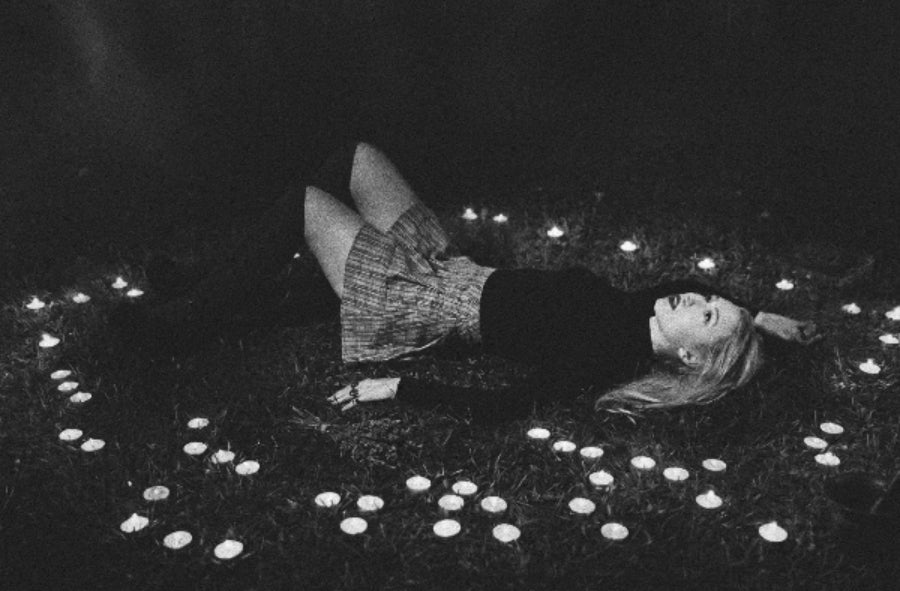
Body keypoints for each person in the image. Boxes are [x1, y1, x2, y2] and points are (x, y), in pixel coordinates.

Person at [132, 141, 818, 419]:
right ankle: (203, 280)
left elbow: (511, 406)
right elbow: (683, 279)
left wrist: (399, 388)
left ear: (688, 357)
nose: (696, 295)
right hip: (447, 263)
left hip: (419, 299)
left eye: (706, 314)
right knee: (354, 158)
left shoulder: (606, 350)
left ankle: (184, 322)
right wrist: (755, 316)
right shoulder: (642, 310)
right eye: (709, 297)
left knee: (303, 205)